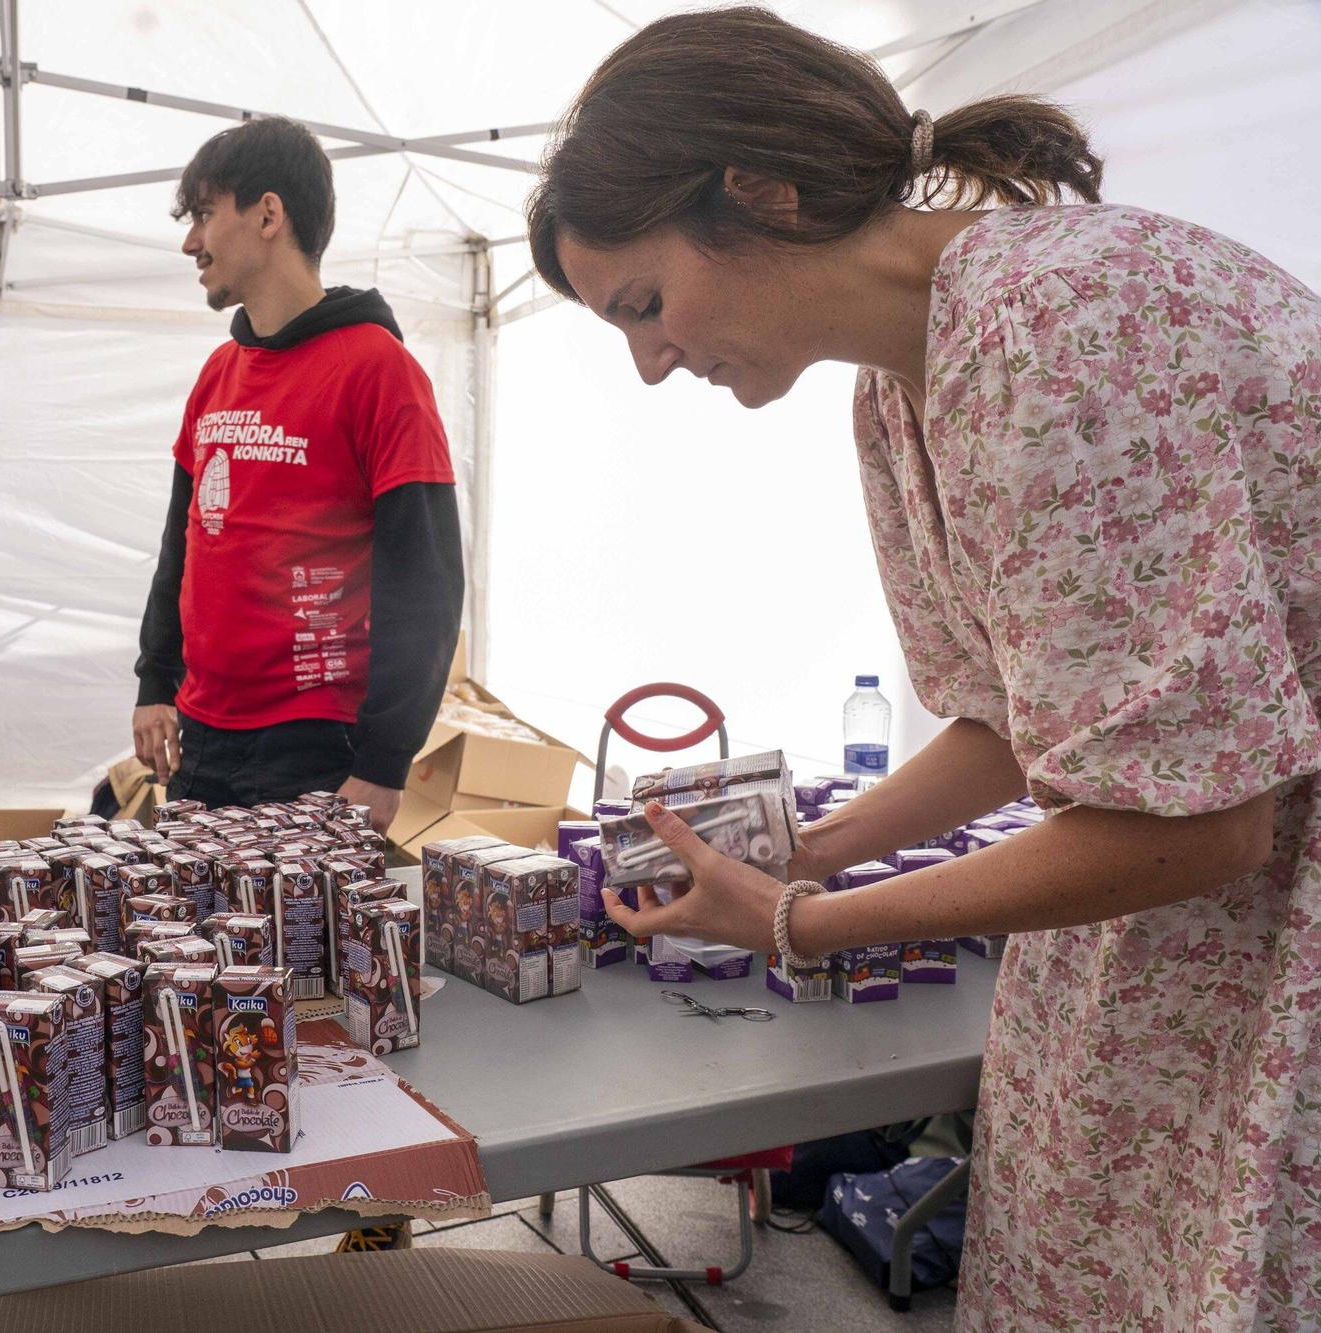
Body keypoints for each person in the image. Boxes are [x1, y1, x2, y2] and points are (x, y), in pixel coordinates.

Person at [530, 7, 1321, 1326]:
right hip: (1172, 954)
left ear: (761, 197)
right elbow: (1019, 723)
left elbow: (1205, 822)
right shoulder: (902, 389)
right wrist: (805, 852)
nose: (652, 363)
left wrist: (800, 923)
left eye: (647, 304)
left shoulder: (1057, 332)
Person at [131, 117, 464, 833]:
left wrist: (383, 762)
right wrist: (155, 680)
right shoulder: (219, 373)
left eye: (204, 215)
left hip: (314, 748)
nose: (192, 242)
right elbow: (181, 543)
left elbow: (426, 578)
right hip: (200, 738)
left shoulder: (380, 369)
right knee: (194, 944)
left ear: (268, 213)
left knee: (302, 949)